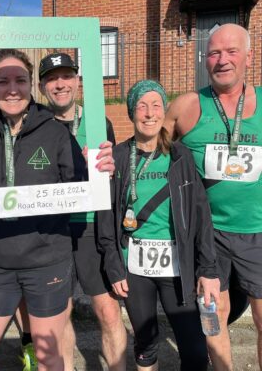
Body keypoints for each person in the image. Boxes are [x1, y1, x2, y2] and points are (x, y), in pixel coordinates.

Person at [0, 49, 88, 371]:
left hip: (46, 265)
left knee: (49, 360)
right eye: (3, 81)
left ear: (31, 85)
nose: (12, 89)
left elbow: (80, 193)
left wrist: (99, 171)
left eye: (20, 80)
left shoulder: (55, 132)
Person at [98, 79, 220, 370]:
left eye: (155, 105)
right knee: (146, 345)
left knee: (194, 349)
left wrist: (208, 268)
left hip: (177, 266)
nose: (149, 113)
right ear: (132, 113)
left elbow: (201, 214)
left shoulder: (180, 156)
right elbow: (105, 216)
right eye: (141, 106)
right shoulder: (118, 158)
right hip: (134, 268)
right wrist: (113, 265)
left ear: (164, 110)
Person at [164, 23, 262, 370]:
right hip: (208, 234)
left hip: (257, 230)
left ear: (249, 56)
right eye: (214, 53)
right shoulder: (187, 106)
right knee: (214, 315)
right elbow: (150, 151)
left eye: (231, 51)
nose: (222, 60)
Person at [38, 52, 127, 370]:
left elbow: (113, 176)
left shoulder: (99, 122)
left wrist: (110, 167)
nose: (60, 84)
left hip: (92, 227)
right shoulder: (35, 124)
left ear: (77, 81)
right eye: (51, 79)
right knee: (60, 315)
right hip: (53, 231)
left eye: (66, 76)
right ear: (42, 86)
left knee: (109, 312)